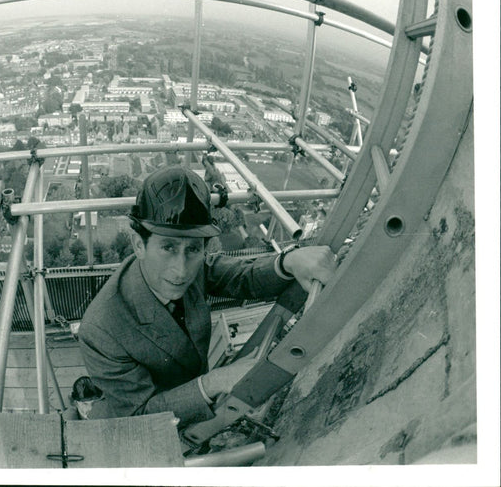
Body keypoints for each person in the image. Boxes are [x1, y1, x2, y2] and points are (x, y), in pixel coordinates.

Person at [77, 165, 336, 428]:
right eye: (168, 247)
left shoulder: (195, 266)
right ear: (138, 245)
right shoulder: (102, 330)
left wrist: (288, 261)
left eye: (193, 248)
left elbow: (242, 278)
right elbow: (140, 417)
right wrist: (212, 383)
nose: (181, 271)